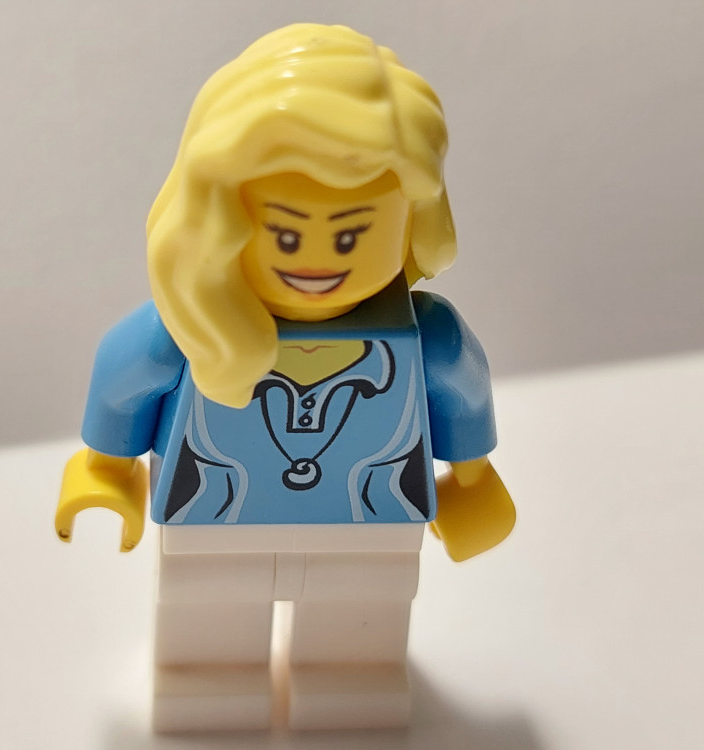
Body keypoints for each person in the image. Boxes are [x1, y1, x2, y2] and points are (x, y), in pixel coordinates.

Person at [55, 23, 515, 732]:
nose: (318, 260)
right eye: (288, 233)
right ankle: (205, 682)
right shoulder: (190, 335)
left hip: (372, 514)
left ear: (411, 219)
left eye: (353, 233)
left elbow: (462, 392)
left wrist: (474, 483)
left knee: (358, 617)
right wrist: (104, 471)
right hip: (214, 511)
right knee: (210, 612)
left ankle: (351, 681)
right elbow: (123, 379)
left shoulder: (428, 337)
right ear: (217, 219)